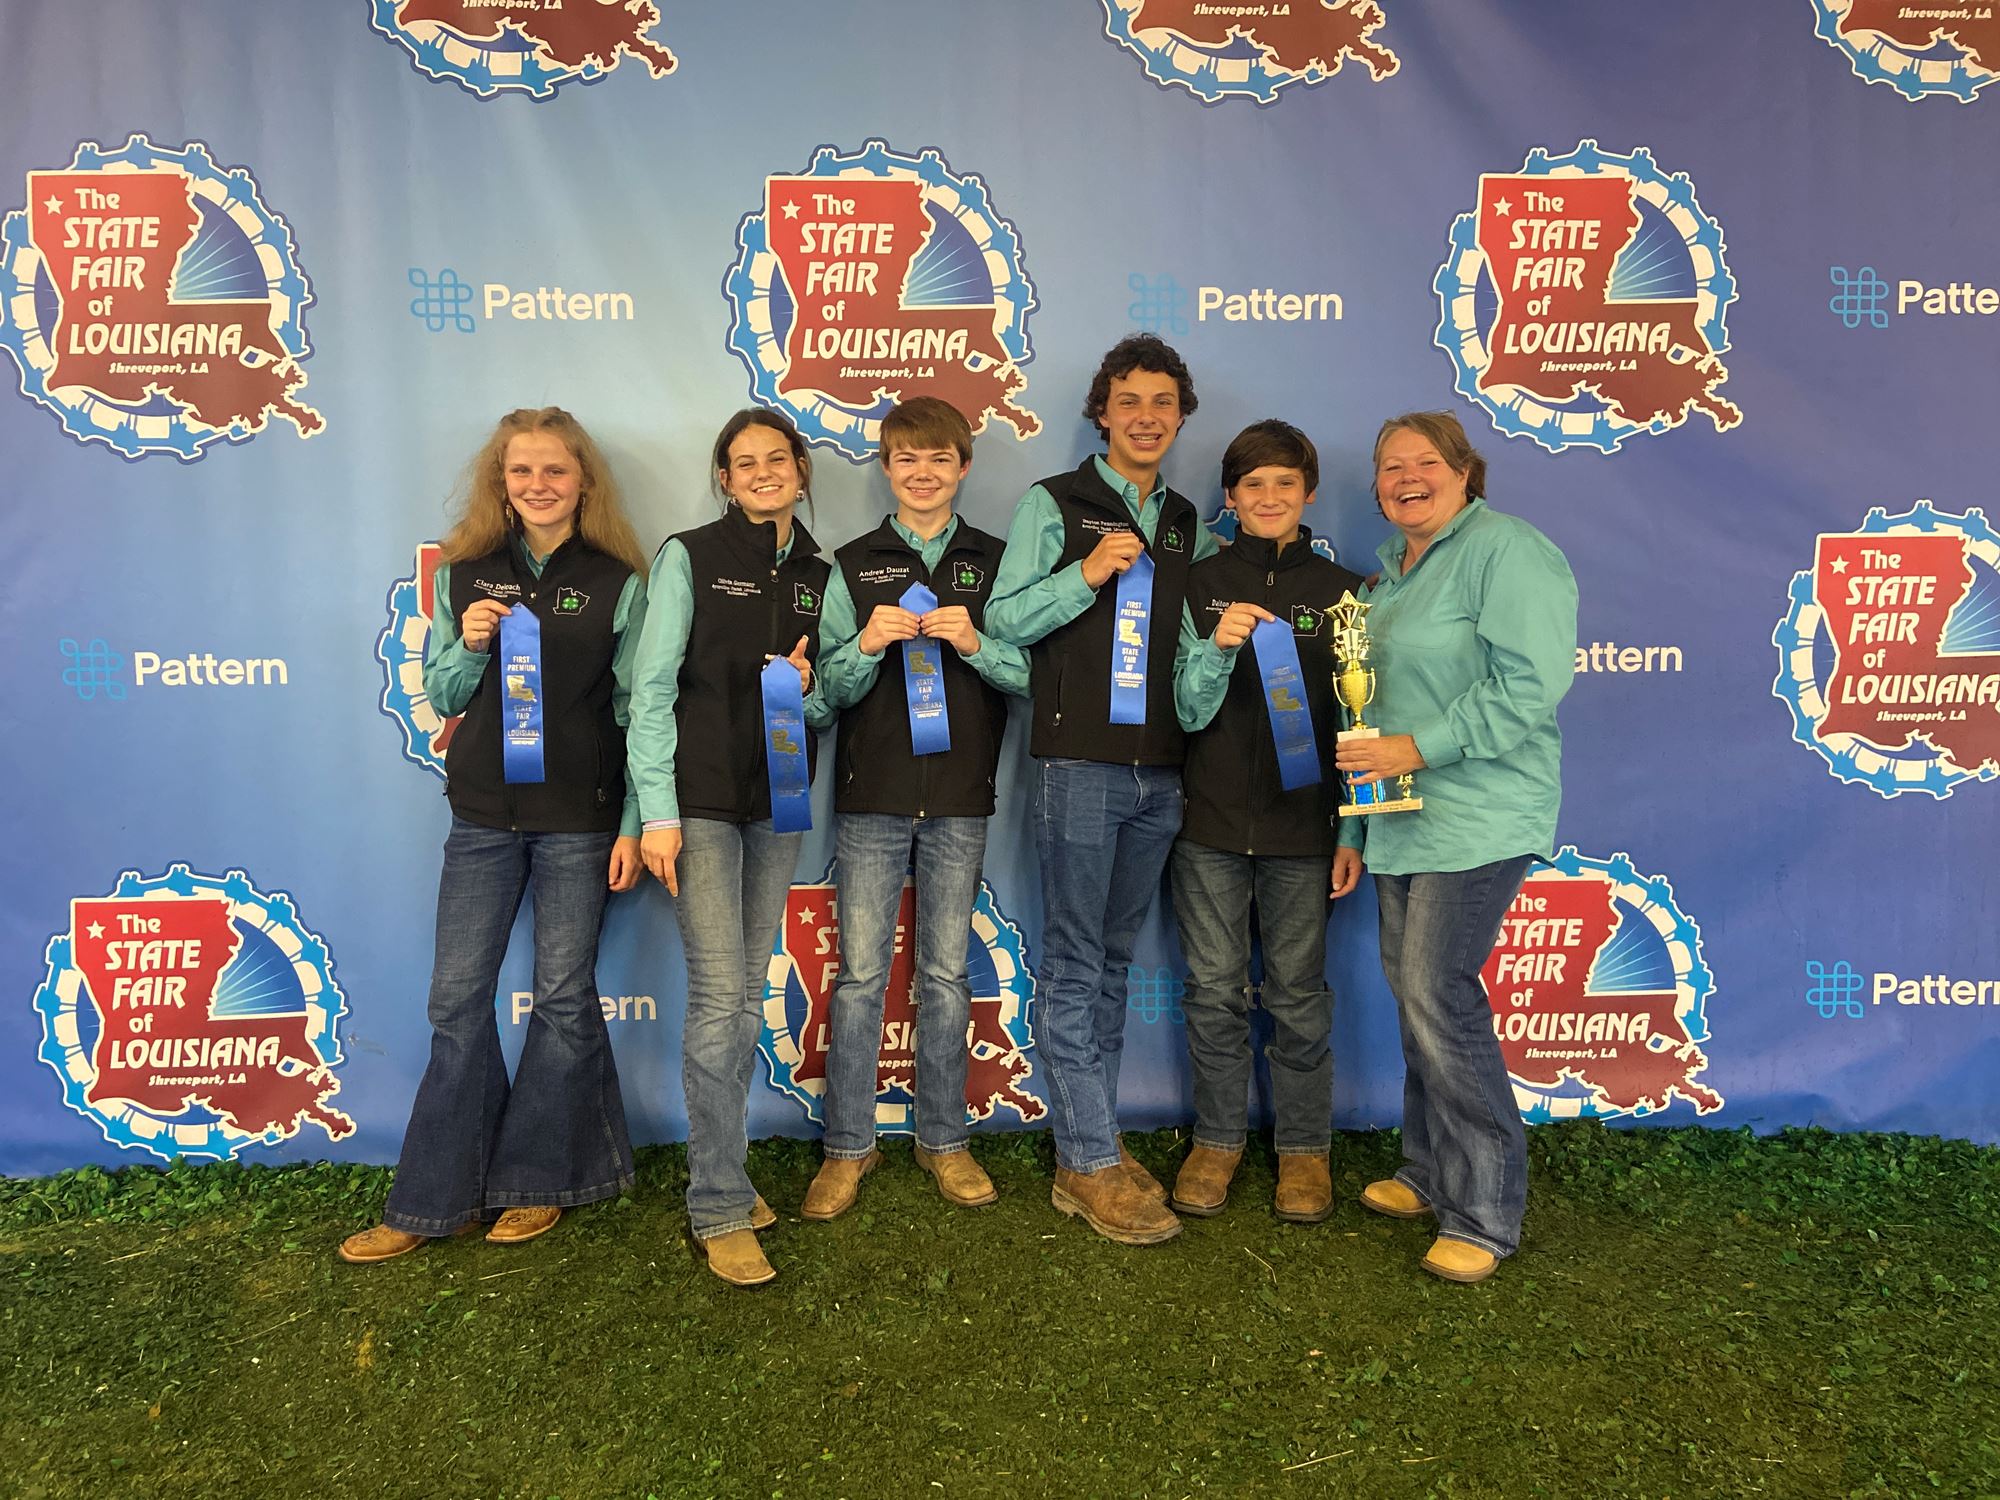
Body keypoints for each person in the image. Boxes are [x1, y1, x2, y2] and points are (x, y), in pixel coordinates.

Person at [340, 407, 651, 1265]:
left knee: (561, 995)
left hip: (579, 823)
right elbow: (441, 694)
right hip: (482, 817)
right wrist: (471, 646)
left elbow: (636, 712)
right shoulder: (466, 572)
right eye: (522, 472)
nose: (539, 486)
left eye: (556, 471)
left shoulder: (620, 578)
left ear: (583, 480)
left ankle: (539, 1181)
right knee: (455, 1001)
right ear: (501, 483)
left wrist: (630, 822)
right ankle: (435, 1196)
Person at [1335, 410, 1577, 1284]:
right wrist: (1354, 827)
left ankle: (1484, 1210)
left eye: (1424, 462)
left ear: (1465, 471)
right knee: (1415, 998)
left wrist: (1418, 749)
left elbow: (1531, 687)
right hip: (1400, 818)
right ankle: (1430, 1172)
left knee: (1438, 993)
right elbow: (1368, 719)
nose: (1405, 476)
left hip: (1479, 813)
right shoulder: (1387, 580)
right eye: (1388, 465)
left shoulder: (1509, 551)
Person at [985, 333, 1217, 1246]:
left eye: (1163, 404)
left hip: (1161, 771)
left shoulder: (1186, 518)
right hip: (1077, 765)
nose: (1147, 418)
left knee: (1115, 961)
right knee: (1077, 961)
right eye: (1130, 402)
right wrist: (1083, 577)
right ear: (1102, 412)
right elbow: (1001, 617)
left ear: (1180, 416)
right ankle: (1085, 1164)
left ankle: (1100, 1143)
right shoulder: (1055, 503)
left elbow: (1188, 644)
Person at [802, 397, 1032, 1220]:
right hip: (872, 801)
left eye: (939, 458)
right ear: (886, 468)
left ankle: (945, 1141)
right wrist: (864, 647)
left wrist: (978, 644)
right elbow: (819, 700)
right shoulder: (850, 564)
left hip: (963, 801)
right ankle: (845, 1149)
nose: (923, 472)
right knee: (862, 977)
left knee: (943, 973)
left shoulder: (999, 561)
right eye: (907, 459)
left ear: (963, 466)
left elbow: (1038, 681)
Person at [629, 408, 827, 1288]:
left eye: (775, 459)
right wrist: (658, 812)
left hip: (777, 806)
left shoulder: (823, 574)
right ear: (723, 478)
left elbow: (822, 708)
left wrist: (815, 690)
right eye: (743, 462)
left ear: (799, 470)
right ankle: (715, 1202)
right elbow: (651, 687)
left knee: (746, 995)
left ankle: (730, 1175)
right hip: (700, 806)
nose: (760, 473)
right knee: (719, 999)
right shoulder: (691, 555)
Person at [1169, 420, 1366, 1223]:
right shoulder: (1195, 584)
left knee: (1297, 996)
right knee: (1212, 991)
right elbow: (1184, 709)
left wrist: (1351, 833)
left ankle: (1304, 1150)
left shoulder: (1347, 592)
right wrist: (1217, 645)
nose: (1270, 497)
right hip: (1209, 830)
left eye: (1286, 483)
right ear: (1230, 498)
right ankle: (1216, 1140)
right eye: (1254, 485)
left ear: (1308, 493)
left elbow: (1365, 723)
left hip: (1304, 833)